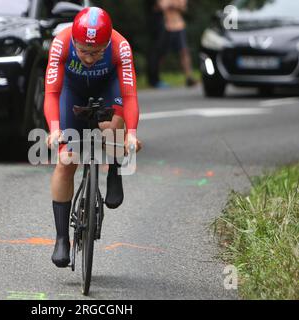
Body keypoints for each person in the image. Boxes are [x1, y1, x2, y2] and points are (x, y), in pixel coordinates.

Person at [44, 7, 142, 268]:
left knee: (112, 127)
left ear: (107, 43)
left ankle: (114, 169)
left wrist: (131, 134)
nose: (89, 58)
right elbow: (52, 93)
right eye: (84, 51)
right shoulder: (61, 43)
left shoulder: (121, 46)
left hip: (109, 88)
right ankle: (62, 238)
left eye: (97, 52)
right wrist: (55, 129)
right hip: (71, 93)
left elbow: (130, 95)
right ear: (74, 41)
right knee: (66, 161)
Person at [158, 0, 197, 87]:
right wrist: (174, 5)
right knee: (161, 53)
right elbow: (161, 6)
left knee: (184, 52)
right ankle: (157, 78)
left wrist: (171, 5)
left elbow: (183, 8)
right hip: (166, 27)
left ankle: (189, 77)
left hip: (179, 26)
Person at [145, 0, 169, 88]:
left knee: (157, 51)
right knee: (155, 51)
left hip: (156, 20)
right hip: (155, 21)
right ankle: (154, 80)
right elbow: (162, 5)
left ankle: (155, 79)